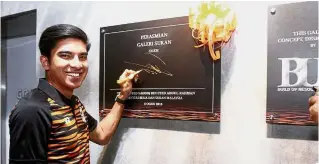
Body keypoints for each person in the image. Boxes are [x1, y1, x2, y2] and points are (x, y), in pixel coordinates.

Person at [9, 24, 137, 163]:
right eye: (65, 55)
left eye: (82, 57)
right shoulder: (33, 110)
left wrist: (122, 97)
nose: (77, 64)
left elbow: (101, 135)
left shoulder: (73, 103)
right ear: (46, 62)